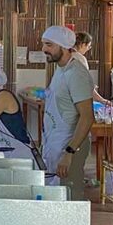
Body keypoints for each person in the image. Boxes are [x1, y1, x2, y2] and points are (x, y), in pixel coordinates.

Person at [41, 26, 95, 193]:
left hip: (70, 146)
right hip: (56, 143)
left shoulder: (76, 73)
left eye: (49, 45)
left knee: (70, 197)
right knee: (56, 196)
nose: (44, 50)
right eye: (43, 44)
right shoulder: (60, 69)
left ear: (64, 47)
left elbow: (87, 117)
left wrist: (69, 152)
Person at [73, 31, 111, 105]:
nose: (88, 49)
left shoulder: (66, 55)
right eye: (88, 46)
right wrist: (102, 100)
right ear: (82, 45)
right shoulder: (80, 59)